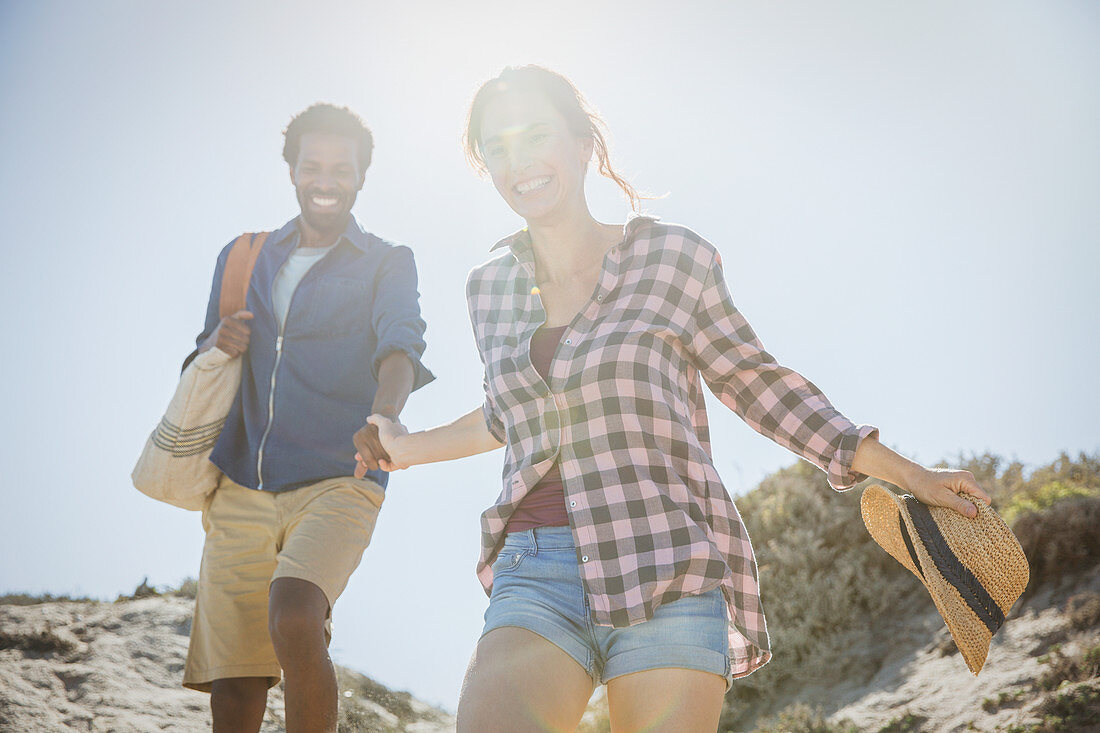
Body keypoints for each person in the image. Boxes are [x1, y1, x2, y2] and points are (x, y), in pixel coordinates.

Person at [354, 66, 989, 733]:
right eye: (497, 147)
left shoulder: (672, 258)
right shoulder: (490, 289)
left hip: (668, 563)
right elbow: (508, 414)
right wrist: (407, 446)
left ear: (580, 144)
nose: (517, 160)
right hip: (536, 570)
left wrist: (912, 474)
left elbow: (755, 381)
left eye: (534, 134)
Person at [184, 103, 433, 733]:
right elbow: (203, 355)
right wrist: (219, 342)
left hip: (340, 472)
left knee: (296, 617)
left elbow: (401, 346)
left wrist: (385, 415)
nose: (326, 179)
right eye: (312, 165)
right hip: (240, 481)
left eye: (340, 168)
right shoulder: (243, 256)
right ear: (292, 170)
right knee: (235, 682)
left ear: (360, 177)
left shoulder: (386, 259)